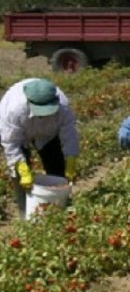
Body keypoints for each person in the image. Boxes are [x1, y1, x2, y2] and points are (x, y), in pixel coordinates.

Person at [0, 78, 79, 214]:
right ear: (29, 102)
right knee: (21, 176)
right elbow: (11, 142)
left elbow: (69, 135)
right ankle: (25, 212)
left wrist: (71, 159)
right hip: (20, 133)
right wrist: (22, 168)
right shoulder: (14, 110)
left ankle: (58, 206)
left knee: (56, 168)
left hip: (48, 133)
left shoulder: (63, 107)